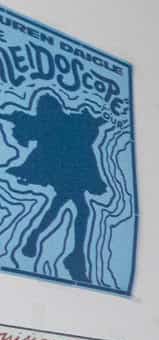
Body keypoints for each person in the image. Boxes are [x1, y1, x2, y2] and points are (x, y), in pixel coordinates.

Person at [2, 92, 107, 285]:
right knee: (80, 209)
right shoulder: (48, 124)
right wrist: (17, 119)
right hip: (64, 172)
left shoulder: (63, 122)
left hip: (72, 171)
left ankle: (38, 239)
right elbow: (27, 130)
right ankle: (74, 257)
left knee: (64, 206)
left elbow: (87, 127)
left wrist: (95, 121)